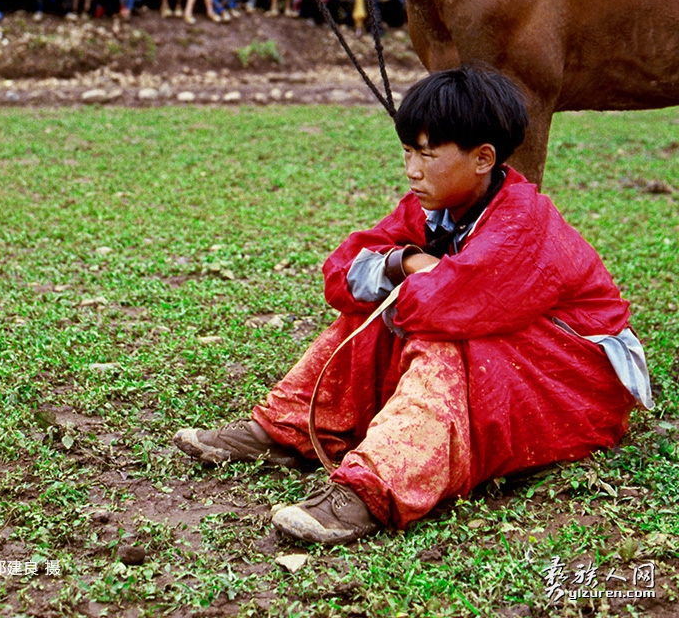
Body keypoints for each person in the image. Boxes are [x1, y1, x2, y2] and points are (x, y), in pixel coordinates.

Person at [174, 65, 652, 545]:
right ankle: (287, 428)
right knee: (374, 308)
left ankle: (376, 484)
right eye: (407, 151)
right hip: (520, 359)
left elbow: (441, 307)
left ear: (483, 158)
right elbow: (341, 274)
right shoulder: (433, 208)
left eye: (427, 154)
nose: (412, 170)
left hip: (577, 385)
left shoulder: (523, 222)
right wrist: (404, 262)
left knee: (443, 339)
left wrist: (401, 274)